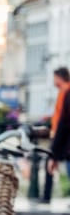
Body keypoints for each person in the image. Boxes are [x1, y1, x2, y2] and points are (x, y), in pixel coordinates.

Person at [48, 66, 70, 197]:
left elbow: (63, 122)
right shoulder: (63, 93)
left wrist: (54, 153)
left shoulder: (66, 93)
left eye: (54, 77)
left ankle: (46, 196)